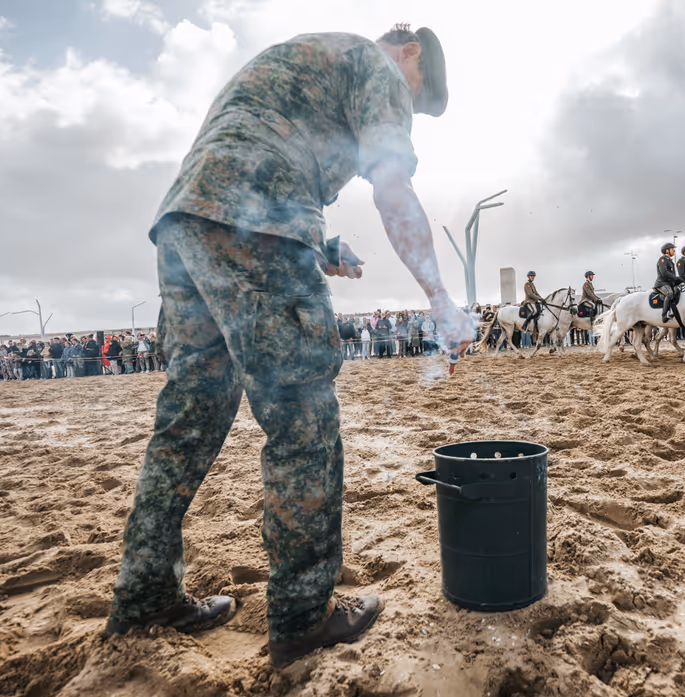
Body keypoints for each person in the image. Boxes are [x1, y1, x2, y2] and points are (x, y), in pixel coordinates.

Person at [104, 23, 474, 667]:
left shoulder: (309, 53)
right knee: (302, 419)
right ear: (410, 53)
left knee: (186, 421)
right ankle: (303, 617)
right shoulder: (380, 68)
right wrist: (440, 297)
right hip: (257, 222)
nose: (408, 106)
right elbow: (391, 188)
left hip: (186, 225)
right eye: (417, 96)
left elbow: (261, 154)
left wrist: (322, 245)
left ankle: (144, 598)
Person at [654, 242, 682, 324]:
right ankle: (664, 315)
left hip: (669, 283)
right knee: (670, 293)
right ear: (667, 250)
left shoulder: (670, 261)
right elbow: (665, 273)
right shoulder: (662, 260)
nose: (674, 251)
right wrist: (676, 278)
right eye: (672, 249)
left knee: (678, 291)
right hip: (662, 283)